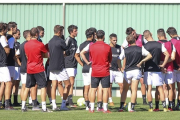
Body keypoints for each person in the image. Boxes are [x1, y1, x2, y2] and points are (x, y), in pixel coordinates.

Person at [80, 30, 112, 113]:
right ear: (104, 36)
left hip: (94, 70)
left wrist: (87, 62)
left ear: (96, 36)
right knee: (105, 90)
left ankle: (92, 108)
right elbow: (110, 59)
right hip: (105, 70)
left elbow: (82, 53)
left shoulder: (91, 46)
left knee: (93, 89)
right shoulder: (107, 46)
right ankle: (105, 108)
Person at [119, 34, 152, 112]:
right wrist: (142, 61)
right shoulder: (140, 48)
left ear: (128, 42)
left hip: (127, 71)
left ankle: (121, 107)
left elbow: (119, 58)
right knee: (134, 90)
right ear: (134, 40)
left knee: (124, 90)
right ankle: (132, 108)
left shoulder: (125, 50)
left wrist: (120, 67)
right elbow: (150, 55)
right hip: (136, 70)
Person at [21, 27, 50, 112]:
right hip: (39, 68)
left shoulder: (26, 44)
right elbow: (46, 55)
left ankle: (23, 106)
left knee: (27, 87)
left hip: (29, 68)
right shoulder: (40, 44)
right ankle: (44, 107)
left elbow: (27, 55)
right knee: (43, 87)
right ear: (37, 34)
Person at [143, 30, 170, 112]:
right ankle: (165, 107)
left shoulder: (144, 46)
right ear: (151, 34)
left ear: (145, 37)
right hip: (157, 69)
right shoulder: (159, 44)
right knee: (160, 88)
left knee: (149, 89)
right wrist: (163, 64)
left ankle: (151, 107)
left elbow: (142, 58)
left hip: (147, 69)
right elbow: (167, 54)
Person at [122, 27, 148, 104]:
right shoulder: (128, 39)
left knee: (142, 82)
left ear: (135, 31)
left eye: (133, 33)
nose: (132, 35)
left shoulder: (142, 38)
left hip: (141, 63)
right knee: (131, 84)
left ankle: (144, 100)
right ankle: (134, 101)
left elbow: (148, 48)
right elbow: (122, 48)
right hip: (131, 63)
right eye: (130, 35)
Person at [48, 25, 71, 111]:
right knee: (68, 84)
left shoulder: (50, 41)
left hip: (52, 66)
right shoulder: (60, 41)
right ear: (59, 32)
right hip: (60, 66)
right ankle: (63, 104)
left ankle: (54, 105)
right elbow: (67, 50)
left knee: (53, 85)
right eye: (61, 32)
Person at [154, 29, 176, 111]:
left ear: (158, 36)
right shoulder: (171, 44)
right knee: (170, 87)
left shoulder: (157, 44)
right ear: (164, 35)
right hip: (170, 68)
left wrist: (162, 64)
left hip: (159, 68)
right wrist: (166, 62)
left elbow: (155, 58)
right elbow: (173, 57)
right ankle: (170, 106)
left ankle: (157, 107)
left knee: (158, 88)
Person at [75, 28, 94, 110]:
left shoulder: (81, 44)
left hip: (85, 68)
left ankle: (87, 105)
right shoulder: (93, 44)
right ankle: (90, 104)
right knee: (91, 87)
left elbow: (76, 55)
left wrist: (82, 64)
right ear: (92, 35)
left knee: (86, 86)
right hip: (91, 67)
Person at [166, 27, 180, 110]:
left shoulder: (170, 42)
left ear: (170, 35)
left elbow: (171, 56)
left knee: (172, 88)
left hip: (173, 67)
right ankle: (179, 105)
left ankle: (172, 104)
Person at [108, 33, 124, 106]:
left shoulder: (119, 48)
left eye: (116, 40)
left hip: (117, 69)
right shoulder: (107, 47)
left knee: (122, 85)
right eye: (114, 40)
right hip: (110, 69)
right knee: (110, 85)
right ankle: (110, 100)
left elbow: (122, 58)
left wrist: (121, 68)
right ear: (110, 40)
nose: (115, 42)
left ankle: (122, 100)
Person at [64, 25, 78, 107]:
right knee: (71, 82)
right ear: (71, 32)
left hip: (74, 63)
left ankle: (67, 100)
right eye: (75, 31)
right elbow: (64, 51)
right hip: (69, 64)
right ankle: (69, 101)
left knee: (71, 82)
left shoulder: (74, 40)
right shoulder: (68, 39)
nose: (77, 32)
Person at [12, 29, 21, 106]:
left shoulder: (18, 43)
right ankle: (7, 100)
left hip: (17, 66)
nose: (19, 35)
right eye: (18, 34)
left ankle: (15, 100)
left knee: (17, 83)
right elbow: (15, 55)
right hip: (14, 65)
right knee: (11, 83)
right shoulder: (11, 43)